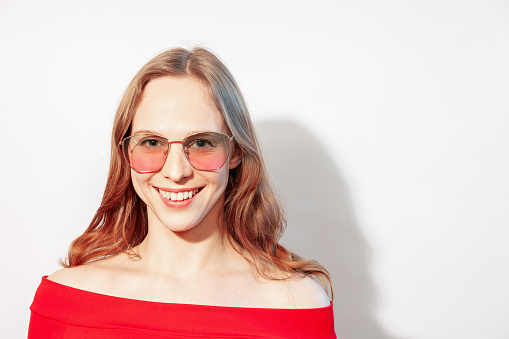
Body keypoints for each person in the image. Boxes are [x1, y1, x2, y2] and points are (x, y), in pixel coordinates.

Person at [28, 47, 336, 338]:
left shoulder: (298, 303)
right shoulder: (66, 300)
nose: (176, 172)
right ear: (125, 153)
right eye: (151, 142)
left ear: (236, 152)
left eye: (201, 143)